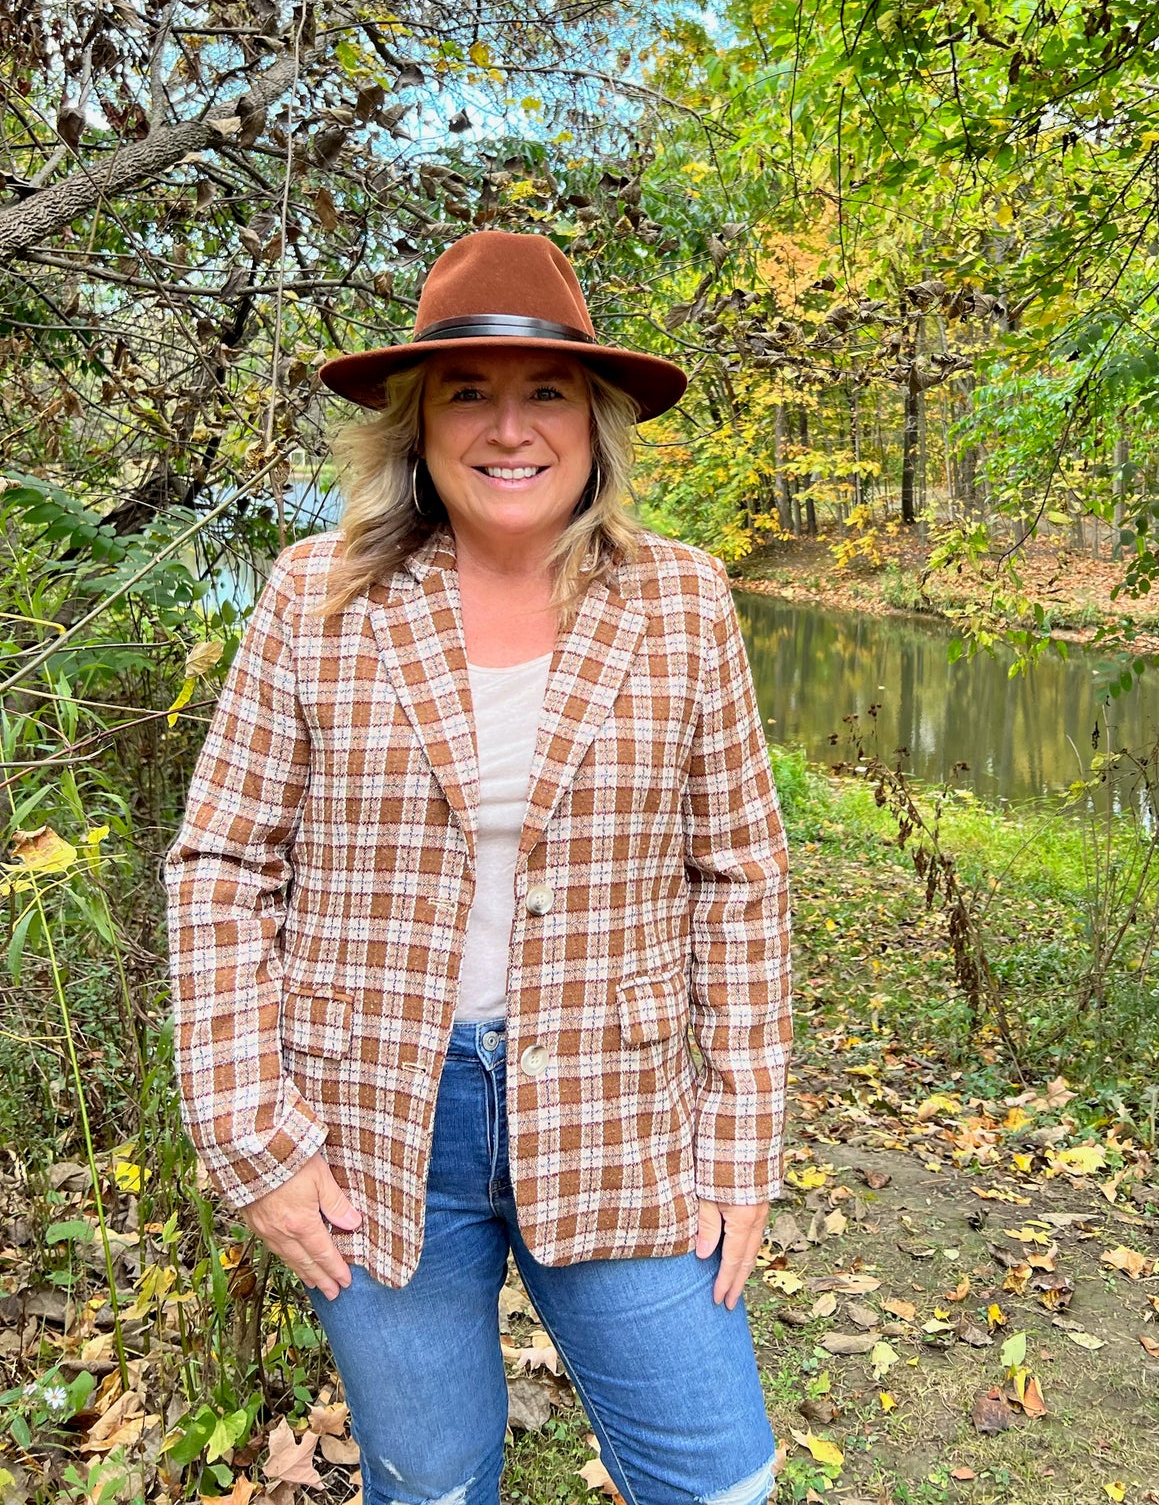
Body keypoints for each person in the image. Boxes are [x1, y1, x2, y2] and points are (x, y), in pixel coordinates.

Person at [166, 230, 791, 1505]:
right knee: (434, 1483)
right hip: (370, 1121)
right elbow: (222, 863)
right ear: (417, 420)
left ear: (596, 417)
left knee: (718, 1475)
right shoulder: (315, 598)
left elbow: (740, 878)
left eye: (545, 389)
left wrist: (738, 1142)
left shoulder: (682, 600)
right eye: (468, 389)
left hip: (619, 1115)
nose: (510, 427)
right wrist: (255, 1142)